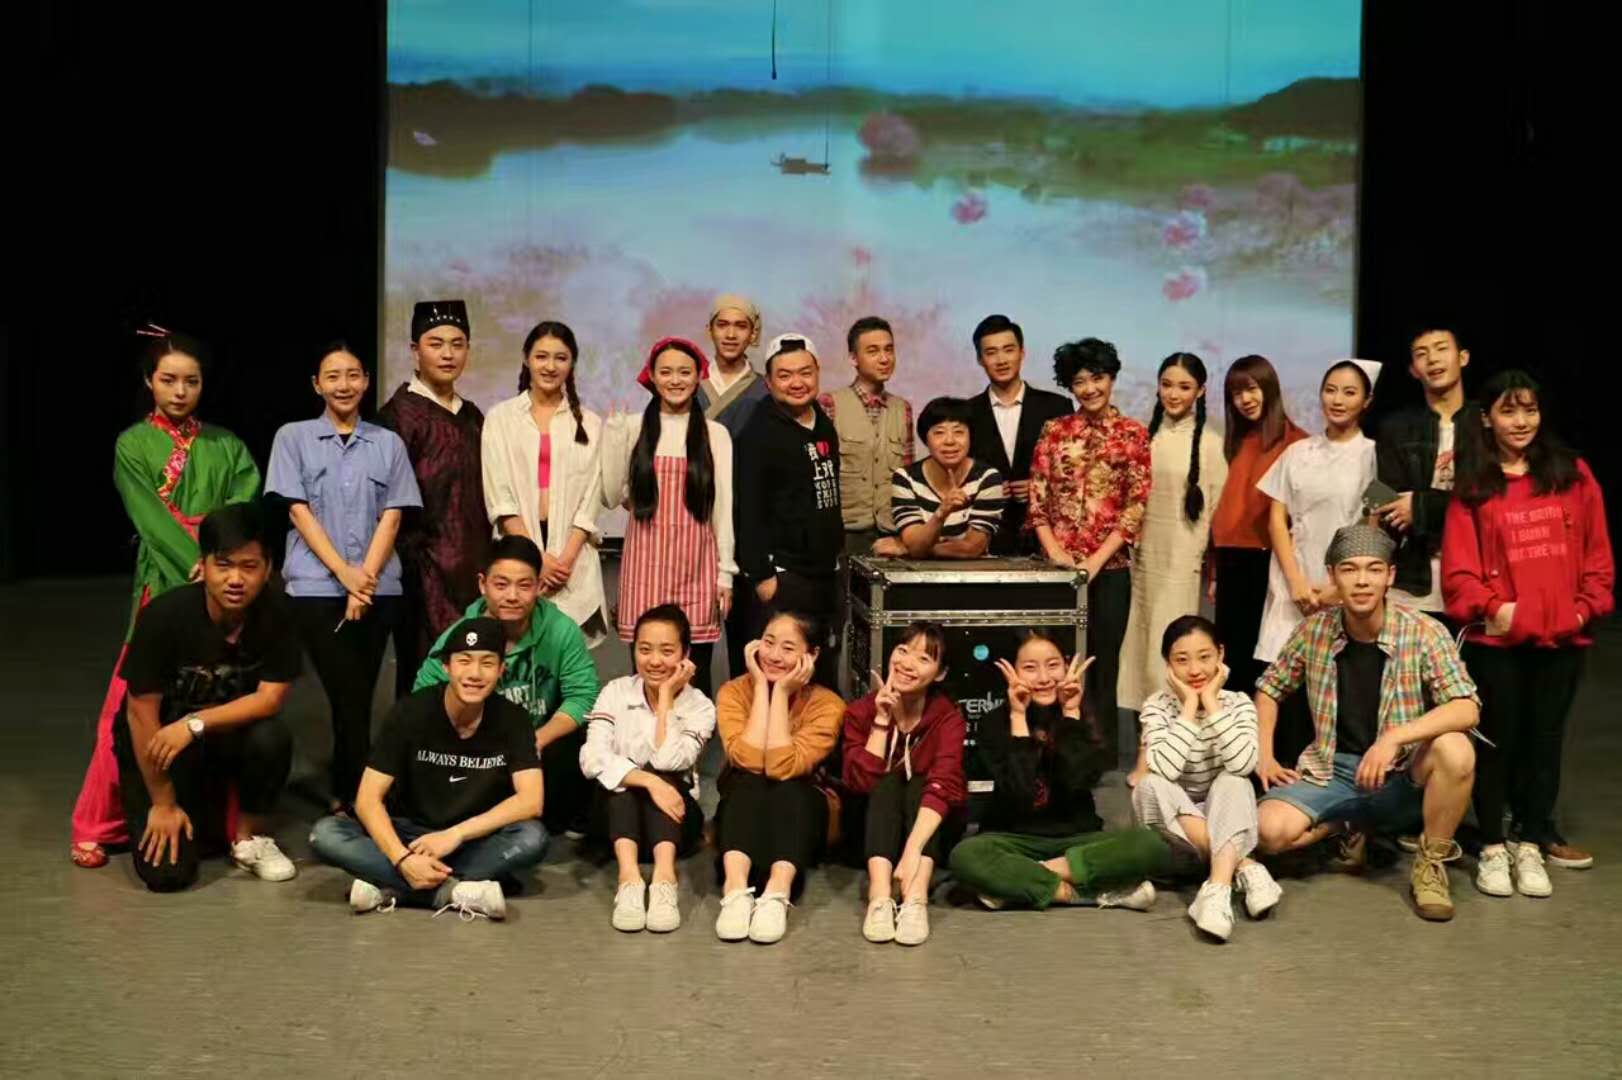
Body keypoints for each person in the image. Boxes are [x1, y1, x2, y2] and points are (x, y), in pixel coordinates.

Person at [70, 327, 262, 869]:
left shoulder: (227, 445)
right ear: (149, 382)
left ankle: (225, 823)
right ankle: (99, 822)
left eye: (191, 381)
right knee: (130, 703)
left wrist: (218, 562)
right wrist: (199, 562)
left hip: (222, 586)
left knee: (220, 701)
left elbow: (243, 504)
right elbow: (150, 519)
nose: (180, 391)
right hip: (164, 579)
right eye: (169, 380)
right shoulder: (132, 444)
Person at [1255, 524, 1480, 922]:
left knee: (1456, 748)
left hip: (1402, 773)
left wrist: (1394, 739)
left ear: (1390, 576)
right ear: (1332, 576)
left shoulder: (1424, 631)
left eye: (1374, 569)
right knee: (1267, 832)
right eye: (1349, 569)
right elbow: (1270, 688)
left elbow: (1466, 707)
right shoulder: (1314, 631)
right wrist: (1265, 754)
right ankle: (1347, 824)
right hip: (1334, 772)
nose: (1362, 581)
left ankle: (1431, 865)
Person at [1443, 370, 1613, 890]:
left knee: (1545, 740)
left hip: (1562, 638)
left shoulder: (1573, 474)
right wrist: (1499, 610)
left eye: (1530, 410)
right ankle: (1494, 845)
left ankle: (1532, 841)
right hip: (1498, 642)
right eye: (1508, 411)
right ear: (1486, 419)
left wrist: (1581, 612)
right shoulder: (1474, 485)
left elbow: (1598, 560)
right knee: (1498, 741)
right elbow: (1459, 574)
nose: (1521, 421)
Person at [267, 343, 421, 814]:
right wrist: (344, 574)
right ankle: (358, 794)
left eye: (353, 375)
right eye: (333, 376)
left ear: (367, 381)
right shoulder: (293, 437)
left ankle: (350, 789)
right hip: (316, 586)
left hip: (379, 587)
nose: (344, 385)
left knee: (360, 691)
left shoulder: (388, 443)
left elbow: (393, 516)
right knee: (347, 691)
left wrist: (364, 580)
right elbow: (298, 512)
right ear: (317, 384)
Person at [308, 617, 547, 920]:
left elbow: (531, 801)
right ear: (446, 667)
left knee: (532, 838)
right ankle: (455, 891)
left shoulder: (513, 719)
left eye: (487, 663)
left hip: (472, 838)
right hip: (407, 833)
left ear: (501, 670)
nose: (475, 674)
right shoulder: (411, 712)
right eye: (464, 661)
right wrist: (402, 858)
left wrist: (455, 835)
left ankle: (390, 887)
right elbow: (367, 799)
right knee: (326, 833)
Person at [115, 503, 300, 892]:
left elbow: (269, 699)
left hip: (218, 735)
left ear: (268, 568)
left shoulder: (278, 614)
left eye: (249, 567)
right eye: (224, 565)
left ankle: (249, 839)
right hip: (160, 745)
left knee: (272, 737)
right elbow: (139, 713)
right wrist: (163, 802)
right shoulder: (165, 616)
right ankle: (189, 809)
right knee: (169, 875)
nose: (236, 579)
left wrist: (194, 723)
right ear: (203, 566)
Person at [949, 631, 1169, 912]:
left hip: (1078, 839)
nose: (1043, 678)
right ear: (1012, 671)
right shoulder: (994, 722)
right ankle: (1085, 893)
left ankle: (1025, 880)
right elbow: (1022, 792)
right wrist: (1018, 717)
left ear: (1066, 666)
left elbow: (1076, 779)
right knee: (966, 856)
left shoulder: (1085, 716)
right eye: (1030, 668)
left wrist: (1071, 714)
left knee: (1150, 844)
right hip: (1013, 840)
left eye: (1053, 665)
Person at [414, 535, 600, 839]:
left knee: (582, 735)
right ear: (482, 584)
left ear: (540, 587)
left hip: (537, 742)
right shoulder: (461, 636)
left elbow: (583, 694)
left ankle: (554, 815)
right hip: (478, 748)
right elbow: (423, 696)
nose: (512, 596)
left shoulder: (561, 630)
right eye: (501, 585)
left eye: (524, 585)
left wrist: (536, 739)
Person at [1028, 338, 1151, 755]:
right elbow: (1038, 499)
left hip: (1110, 569)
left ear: (1111, 378)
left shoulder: (1133, 434)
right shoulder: (1054, 431)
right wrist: (1055, 553)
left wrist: (1096, 561)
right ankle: (1053, 748)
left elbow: (1135, 507)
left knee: (1103, 660)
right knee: (1054, 660)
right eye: (1079, 381)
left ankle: (1101, 753)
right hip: (1058, 569)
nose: (1089, 389)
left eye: (1097, 378)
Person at [1129, 615, 1279, 942]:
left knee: (1234, 780)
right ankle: (1243, 866)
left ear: (1220, 655)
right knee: (1149, 785)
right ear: (1168, 664)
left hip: (1223, 816)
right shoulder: (1156, 706)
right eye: (1182, 660)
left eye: (1204, 657)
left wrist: (1211, 703)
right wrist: (1188, 709)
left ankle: (1217, 889)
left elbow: (1243, 764)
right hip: (1173, 840)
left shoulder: (1238, 703)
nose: (1195, 670)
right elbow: (1165, 770)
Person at [601, 337, 735, 699]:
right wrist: (613, 440)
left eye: (684, 372)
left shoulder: (715, 434)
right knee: (647, 674)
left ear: (698, 377)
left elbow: (722, 508)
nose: (675, 380)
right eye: (666, 372)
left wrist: (725, 573)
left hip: (696, 568)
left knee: (695, 676)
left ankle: (690, 738)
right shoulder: (631, 428)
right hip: (644, 567)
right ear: (652, 377)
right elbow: (610, 496)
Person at [378, 299, 490, 698]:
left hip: (474, 566)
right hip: (420, 571)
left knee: (474, 672)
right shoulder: (397, 417)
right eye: (436, 343)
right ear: (415, 350)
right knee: (423, 674)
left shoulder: (473, 415)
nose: (447, 354)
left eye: (457, 344)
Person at [580, 605, 717, 933]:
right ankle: (629, 880)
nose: (654, 661)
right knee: (627, 785)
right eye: (644, 649)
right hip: (615, 822)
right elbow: (591, 757)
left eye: (667, 651)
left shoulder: (700, 706)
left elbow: (669, 761)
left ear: (685, 654)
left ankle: (664, 880)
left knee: (662, 775)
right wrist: (645, 780)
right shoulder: (615, 692)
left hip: (676, 821)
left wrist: (666, 697)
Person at [712, 610, 844, 944]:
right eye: (768, 643)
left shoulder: (828, 704)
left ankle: (776, 894)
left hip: (799, 816)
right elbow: (748, 761)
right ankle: (735, 891)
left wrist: (782, 693)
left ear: (812, 655)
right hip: (744, 815)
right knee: (748, 781)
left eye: (787, 648)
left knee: (789, 787)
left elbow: (782, 767)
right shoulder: (733, 692)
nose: (772, 655)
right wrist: (760, 687)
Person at [481, 320, 608, 644]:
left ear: (572, 363)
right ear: (526, 359)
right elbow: (500, 498)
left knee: (567, 658)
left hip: (571, 560)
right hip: (517, 552)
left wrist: (563, 561)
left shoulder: (591, 423)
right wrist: (536, 558)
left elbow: (591, 497)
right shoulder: (500, 418)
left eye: (560, 358)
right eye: (541, 356)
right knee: (515, 656)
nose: (550, 366)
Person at [841, 621, 965, 945]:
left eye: (924, 658)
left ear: (940, 673)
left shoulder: (948, 718)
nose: (908, 663)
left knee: (925, 783)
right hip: (873, 831)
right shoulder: (859, 712)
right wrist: (881, 722)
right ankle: (880, 896)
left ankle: (915, 896)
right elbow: (860, 785)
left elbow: (944, 784)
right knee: (887, 782)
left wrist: (912, 852)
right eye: (903, 650)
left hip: (923, 835)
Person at [731, 333, 844, 687]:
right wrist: (761, 574)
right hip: (782, 575)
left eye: (805, 373)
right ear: (768, 381)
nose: (797, 382)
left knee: (818, 671)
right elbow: (745, 506)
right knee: (778, 674)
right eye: (785, 375)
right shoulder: (758, 432)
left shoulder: (822, 422)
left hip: (823, 573)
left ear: (817, 372)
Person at [1118, 353, 1227, 710]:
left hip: (1182, 561)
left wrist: (1212, 569)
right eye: (1167, 385)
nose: (1174, 394)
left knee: (1173, 646)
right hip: (1142, 559)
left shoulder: (1211, 443)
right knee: (1139, 643)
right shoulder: (1142, 437)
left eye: (1184, 386)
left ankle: (1176, 727)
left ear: (1200, 391)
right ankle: (1144, 732)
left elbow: (1217, 513)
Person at [1254, 360, 1380, 667]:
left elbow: (1373, 528)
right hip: (1291, 582)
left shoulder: (1376, 455)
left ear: (1366, 401)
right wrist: (1295, 582)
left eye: (1349, 392)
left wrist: (1339, 588)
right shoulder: (1297, 452)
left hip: (1345, 585)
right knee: (1282, 673)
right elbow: (1276, 521)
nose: (1337, 400)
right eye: (1330, 390)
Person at [1208, 355, 1306, 696]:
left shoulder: (1297, 442)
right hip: (1231, 561)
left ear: (1269, 388)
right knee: (1230, 657)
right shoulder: (1236, 442)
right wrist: (1215, 572)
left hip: (1267, 560)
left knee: (1260, 660)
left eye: (1251, 389)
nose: (1244, 400)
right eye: (1236, 394)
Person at [1374, 323, 1479, 623]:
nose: (1432, 359)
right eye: (1422, 354)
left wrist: (1420, 506)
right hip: (1411, 582)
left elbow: (1491, 501)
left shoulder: (1486, 424)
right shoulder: (1394, 427)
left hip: (1478, 580)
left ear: (1463, 357)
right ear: (1413, 370)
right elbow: (1384, 502)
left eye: (1441, 349)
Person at [965, 314, 1073, 555]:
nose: (1001, 360)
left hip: (1048, 542)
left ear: (1022, 353)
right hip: (985, 540)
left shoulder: (1057, 407)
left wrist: (1039, 488)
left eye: (1009, 350)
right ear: (980, 359)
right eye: (991, 352)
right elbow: (955, 477)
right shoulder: (967, 413)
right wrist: (984, 490)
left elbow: (1074, 473)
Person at [819, 316, 915, 554]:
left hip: (892, 534)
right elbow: (819, 476)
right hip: (841, 534)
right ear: (853, 358)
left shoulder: (902, 408)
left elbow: (908, 477)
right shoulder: (829, 403)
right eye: (873, 351)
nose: (884, 358)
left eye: (889, 350)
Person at [873, 396, 1006, 560]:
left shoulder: (987, 478)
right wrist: (941, 513)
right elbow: (915, 544)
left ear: (971, 437)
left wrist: (908, 549)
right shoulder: (906, 478)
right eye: (939, 432)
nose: (949, 441)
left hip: (972, 573)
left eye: (958, 432)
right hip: (918, 574)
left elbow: (972, 548)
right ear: (926, 439)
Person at [697, 293, 770, 442]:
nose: (731, 335)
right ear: (709, 331)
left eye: (741, 326)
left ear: (753, 334)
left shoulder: (766, 389)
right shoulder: (688, 384)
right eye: (722, 325)